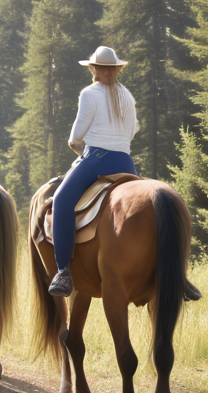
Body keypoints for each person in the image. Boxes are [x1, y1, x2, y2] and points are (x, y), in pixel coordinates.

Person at [48, 46, 139, 297]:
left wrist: (81, 152)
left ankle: (63, 271)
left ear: (94, 68)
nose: (105, 72)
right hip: (126, 163)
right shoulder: (128, 96)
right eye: (106, 68)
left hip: (97, 159)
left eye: (104, 68)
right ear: (116, 68)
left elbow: (75, 139)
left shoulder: (89, 93)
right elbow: (131, 133)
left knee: (61, 201)